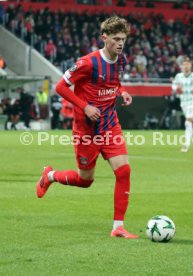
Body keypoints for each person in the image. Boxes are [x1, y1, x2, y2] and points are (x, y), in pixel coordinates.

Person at [36, 17, 138, 239]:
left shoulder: (121, 60)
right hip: (86, 131)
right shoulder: (87, 63)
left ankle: (118, 227)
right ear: (104, 38)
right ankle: (50, 175)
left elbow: (114, 82)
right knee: (85, 180)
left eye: (124, 39)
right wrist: (84, 106)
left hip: (110, 125)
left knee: (124, 171)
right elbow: (60, 87)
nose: (121, 44)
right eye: (116, 39)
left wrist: (122, 92)